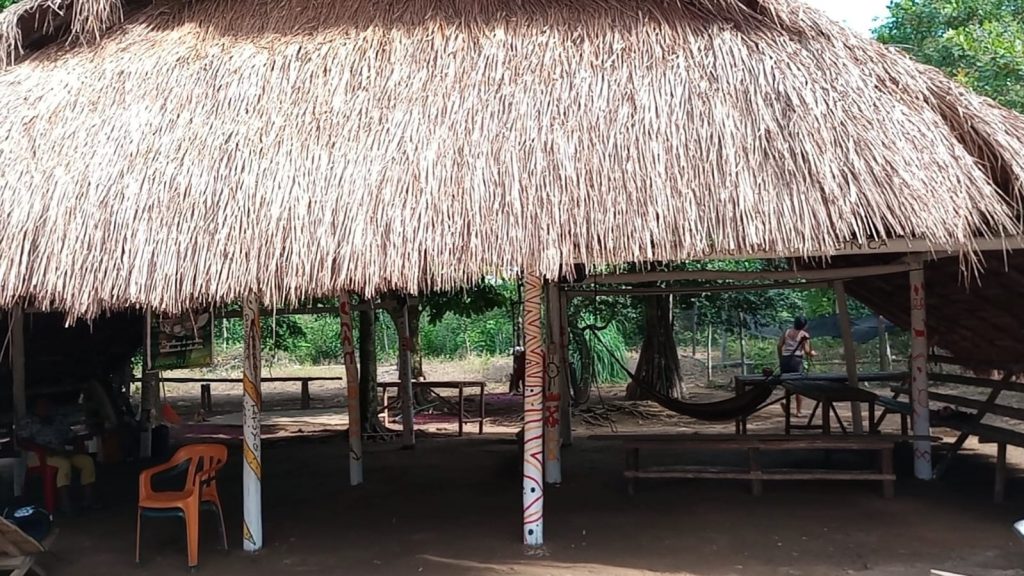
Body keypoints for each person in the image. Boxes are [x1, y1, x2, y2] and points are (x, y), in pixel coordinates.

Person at [17, 398, 98, 513]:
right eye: (42, 405)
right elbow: (21, 440)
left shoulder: (56, 419)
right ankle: (65, 504)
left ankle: (89, 500)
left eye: (47, 405)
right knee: (63, 464)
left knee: (87, 461)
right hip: (39, 455)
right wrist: (44, 449)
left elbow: (71, 435)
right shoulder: (28, 421)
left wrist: (77, 444)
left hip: (61, 452)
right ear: (35, 407)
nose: (46, 408)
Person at [777, 316, 816, 416]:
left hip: (786, 360)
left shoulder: (786, 332)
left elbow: (779, 345)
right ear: (804, 325)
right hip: (796, 361)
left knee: (787, 384)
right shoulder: (804, 335)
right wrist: (813, 353)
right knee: (798, 386)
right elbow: (807, 351)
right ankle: (798, 411)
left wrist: (781, 358)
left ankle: (787, 404)